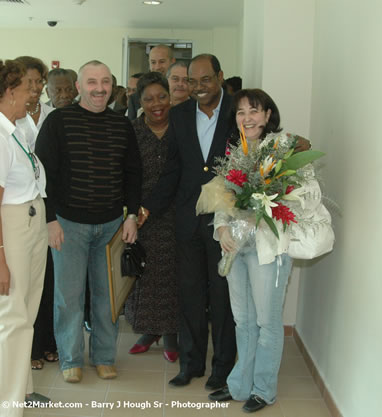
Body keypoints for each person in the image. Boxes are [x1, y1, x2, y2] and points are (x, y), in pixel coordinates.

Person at [208, 88, 329, 413]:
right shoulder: (235, 151)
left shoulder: (283, 149)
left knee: (267, 322)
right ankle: (238, 386)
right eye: (240, 113)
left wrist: (268, 203)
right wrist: (221, 229)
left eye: (254, 111)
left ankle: (263, 390)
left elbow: (303, 197)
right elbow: (223, 198)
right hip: (236, 247)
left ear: (267, 115)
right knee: (243, 321)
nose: (247, 118)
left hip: (269, 250)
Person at [35, 60, 142, 383]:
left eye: (106, 82)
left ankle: (104, 356)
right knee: (68, 297)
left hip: (111, 226)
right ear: (80, 86)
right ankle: (70, 359)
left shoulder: (122, 125)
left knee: (107, 298)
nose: (99, 88)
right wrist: (50, 220)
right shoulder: (58, 122)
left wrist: (132, 215)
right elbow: (43, 175)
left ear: (112, 86)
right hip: (68, 225)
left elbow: (133, 173)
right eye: (92, 82)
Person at [138, 54, 238, 391]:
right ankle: (191, 364)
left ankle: (222, 368)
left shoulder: (237, 110)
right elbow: (173, 170)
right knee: (190, 294)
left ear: (220, 77)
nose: (198, 88)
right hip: (188, 221)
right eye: (192, 82)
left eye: (205, 80)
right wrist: (148, 207)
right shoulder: (179, 115)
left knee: (223, 297)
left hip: (226, 221)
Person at [0, 59, 50, 416]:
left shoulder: (16, 128)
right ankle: (7, 407)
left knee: (26, 312)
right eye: (26, 87)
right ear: (9, 91)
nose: (32, 93)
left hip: (31, 222)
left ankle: (22, 391)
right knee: (10, 317)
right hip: (10, 228)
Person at [124, 72, 179, 363]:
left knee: (172, 276)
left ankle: (171, 334)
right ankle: (149, 331)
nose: (156, 104)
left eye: (161, 96)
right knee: (143, 276)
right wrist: (132, 212)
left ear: (170, 97)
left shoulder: (182, 129)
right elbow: (123, 175)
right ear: (139, 102)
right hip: (139, 216)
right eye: (148, 99)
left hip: (175, 215)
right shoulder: (131, 131)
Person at [14, 56, 59, 371]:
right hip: (21, 212)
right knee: (25, 285)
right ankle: (28, 349)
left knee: (49, 283)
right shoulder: (9, 120)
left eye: (39, 81)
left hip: (52, 209)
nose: (36, 87)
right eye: (30, 81)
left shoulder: (54, 116)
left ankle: (48, 343)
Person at [127, 45, 176, 120]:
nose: (157, 67)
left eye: (162, 62)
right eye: (153, 62)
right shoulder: (135, 98)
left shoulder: (180, 92)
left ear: (172, 62)